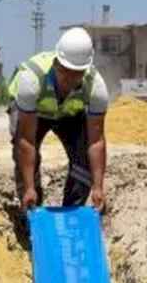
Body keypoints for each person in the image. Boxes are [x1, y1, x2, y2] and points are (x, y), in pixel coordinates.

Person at [7, 27, 110, 213]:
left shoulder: (96, 86)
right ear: (56, 63)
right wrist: (29, 188)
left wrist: (98, 187)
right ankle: (31, 209)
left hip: (68, 115)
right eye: (66, 72)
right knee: (24, 155)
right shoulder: (32, 79)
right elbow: (26, 140)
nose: (70, 79)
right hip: (32, 112)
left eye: (77, 73)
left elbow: (96, 141)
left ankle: (72, 212)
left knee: (83, 159)